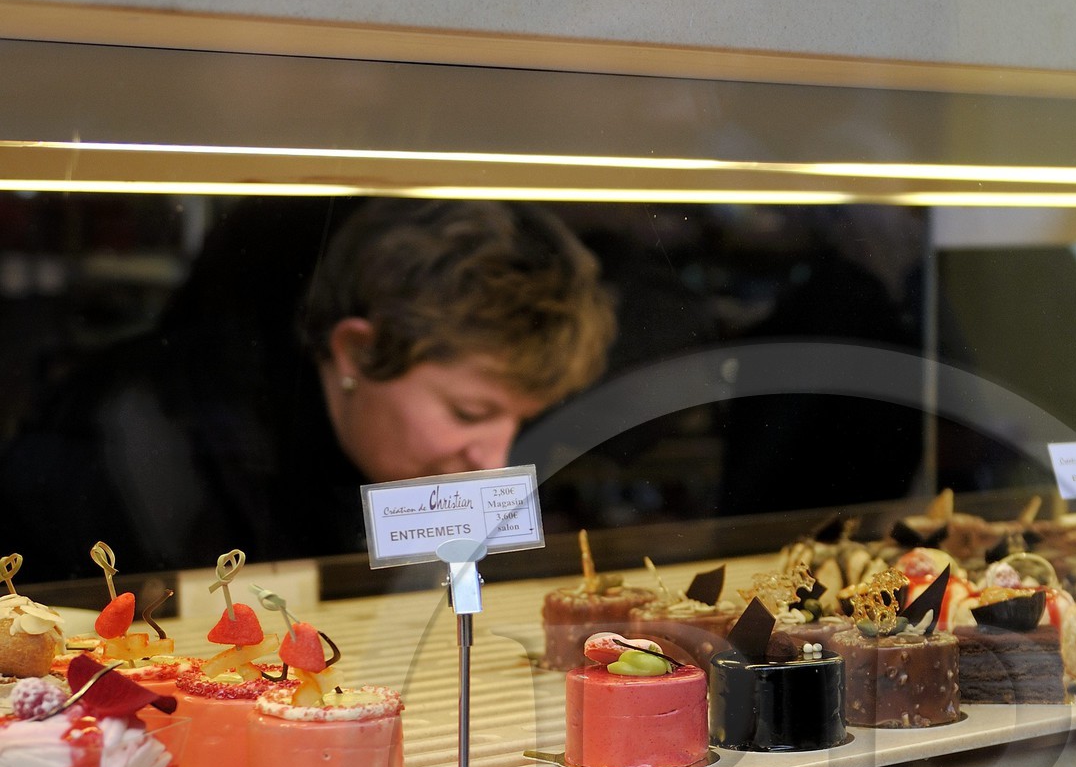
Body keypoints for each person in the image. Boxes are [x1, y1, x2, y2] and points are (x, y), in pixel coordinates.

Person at [0, 197, 615, 582]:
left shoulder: (350, 433)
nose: (492, 458)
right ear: (356, 350)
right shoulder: (151, 442)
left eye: (519, 419)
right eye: (469, 412)